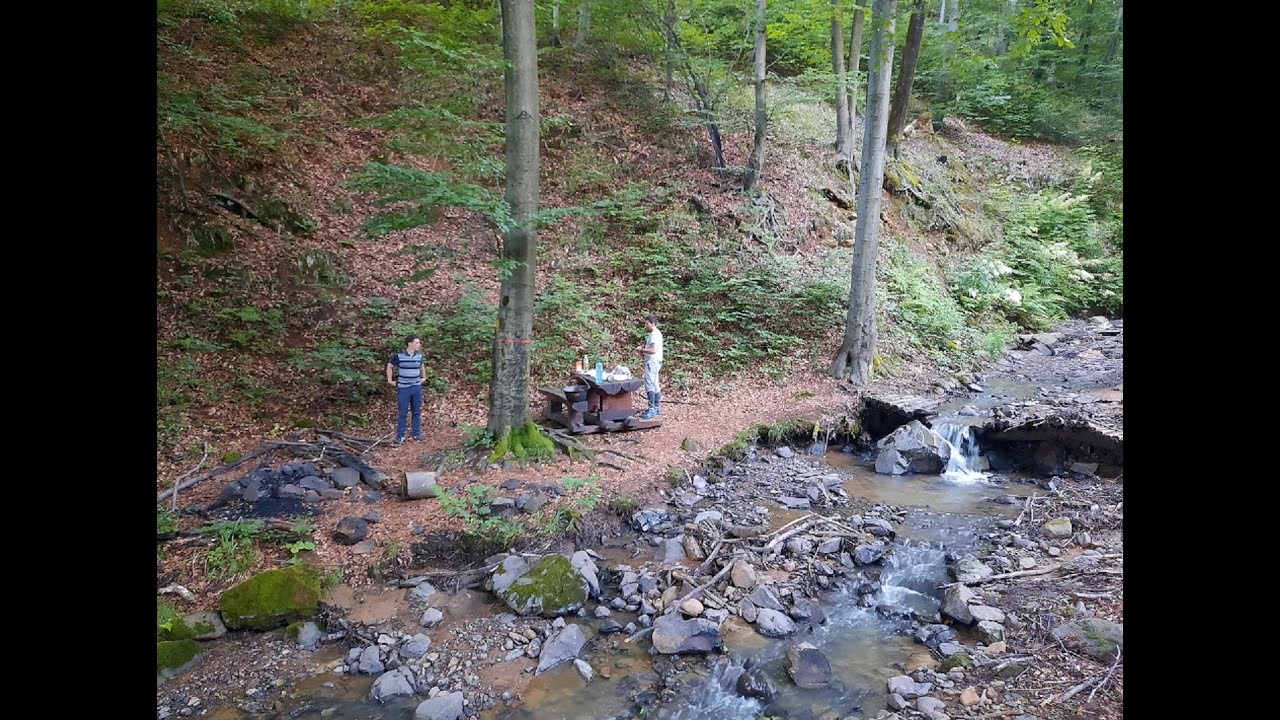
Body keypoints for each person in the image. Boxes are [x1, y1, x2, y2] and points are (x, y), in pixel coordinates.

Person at [386, 335, 426, 444]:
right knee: (402, 412)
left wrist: (424, 377)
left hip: (416, 387)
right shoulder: (399, 356)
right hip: (404, 388)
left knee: (416, 411)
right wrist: (390, 380)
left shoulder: (419, 356)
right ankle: (400, 436)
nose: (419, 345)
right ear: (410, 343)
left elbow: (422, 366)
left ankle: (416, 434)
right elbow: (389, 366)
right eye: (417, 343)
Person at [636, 315, 663, 419]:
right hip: (656, 362)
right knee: (655, 384)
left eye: (647, 324)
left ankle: (651, 409)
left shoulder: (654, 335)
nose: (646, 325)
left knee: (650, 385)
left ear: (653, 324)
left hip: (652, 362)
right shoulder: (657, 333)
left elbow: (653, 350)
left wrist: (641, 350)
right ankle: (656, 407)